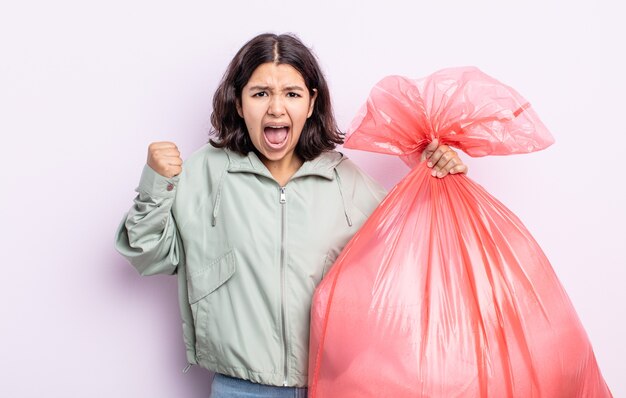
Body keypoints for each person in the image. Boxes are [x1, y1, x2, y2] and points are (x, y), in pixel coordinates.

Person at [115, 33, 467, 398]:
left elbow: (411, 253)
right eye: (260, 93)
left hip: (334, 385)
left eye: (292, 94)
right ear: (238, 102)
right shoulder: (205, 172)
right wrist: (157, 183)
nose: (276, 109)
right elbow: (148, 253)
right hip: (241, 389)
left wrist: (435, 179)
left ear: (311, 102)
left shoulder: (343, 179)